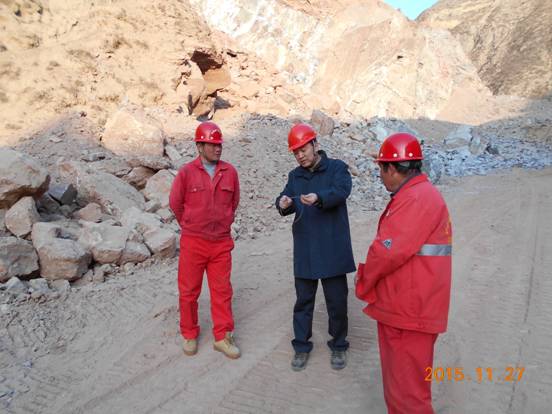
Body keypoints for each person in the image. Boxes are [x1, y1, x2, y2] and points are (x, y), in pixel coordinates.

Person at [355, 133, 452, 413]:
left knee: (407, 397)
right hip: (411, 307)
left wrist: (364, 281)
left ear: (393, 169)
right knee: (405, 390)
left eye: (381, 169)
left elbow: (387, 252)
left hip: (408, 313)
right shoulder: (421, 194)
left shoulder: (416, 199)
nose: (380, 176)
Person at [276, 123, 356, 372]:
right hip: (306, 249)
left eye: (303, 149)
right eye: (296, 152)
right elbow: (284, 199)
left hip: (332, 247)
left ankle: (339, 344)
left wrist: (320, 198)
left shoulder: (337, 168)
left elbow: (342, 190)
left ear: (315, 145)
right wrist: (283, 203)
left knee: (337, 302)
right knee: (303, 302)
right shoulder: (295, 176)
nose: (300, 155)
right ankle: (301, 346)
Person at [169, 121, 241, 359]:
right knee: (188, 291)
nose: (217, 149)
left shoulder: (230, 172)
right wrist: (190, 224)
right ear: (199, 146)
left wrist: (224, 222)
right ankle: (189, 333)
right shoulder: (186, 173)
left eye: (219, 145)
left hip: (220, 242)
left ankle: (222, 337)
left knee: (222, 291)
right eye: (212, 145)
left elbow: (234, 203)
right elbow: (175, 203)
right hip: (194, 242)